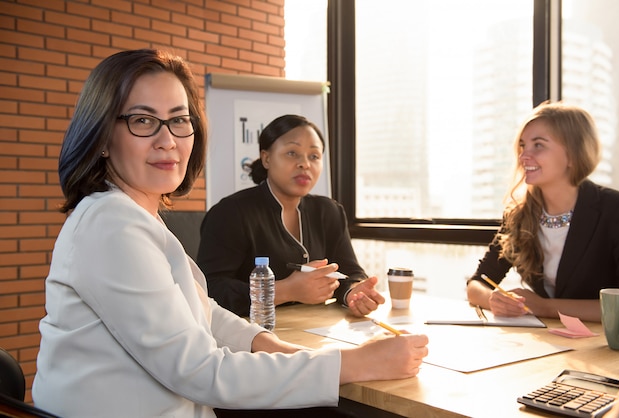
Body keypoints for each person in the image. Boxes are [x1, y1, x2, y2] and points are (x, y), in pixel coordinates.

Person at [31, 49, 429, 418]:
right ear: (102, 135)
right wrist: (358, 362)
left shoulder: (134, 215)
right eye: (142, 120)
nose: (168, 140)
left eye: (179, 119)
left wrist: (266, 342)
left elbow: (201, 312)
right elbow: (201, 371)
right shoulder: (112, 226)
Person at [197, 114, 385, 318]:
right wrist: (284, 290)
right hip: (248, 335)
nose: (304, 163)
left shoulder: (329, 211)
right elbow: (209, 288)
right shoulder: (230, 213)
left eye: (314, 156)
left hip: (314, 331)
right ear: (266, 158)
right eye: (292, 153)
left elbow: (349, 272)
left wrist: (354, 292)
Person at [467, 101, 619, 322]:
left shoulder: (617, 210)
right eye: (523, 146)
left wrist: (546, 307)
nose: (523, 157)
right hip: (548, 341)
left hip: (604, 348)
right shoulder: (519, 214)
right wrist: (493, 299)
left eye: (538, 145)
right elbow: (477, 284)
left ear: (572, 154)